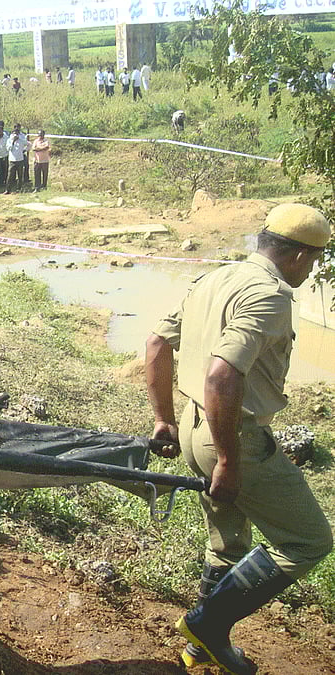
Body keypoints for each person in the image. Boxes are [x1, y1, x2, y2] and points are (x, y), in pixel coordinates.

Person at [145, 204, 333, 675]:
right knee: (307, 541)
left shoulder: (214, 278)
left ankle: (200, 647)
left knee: (226, 544)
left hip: (194, 427)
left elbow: (157, 343)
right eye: (313, 261)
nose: (310, 271)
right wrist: (230, 461)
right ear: (299, 256)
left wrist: (164, 419)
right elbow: (222, 375)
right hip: (234, 439)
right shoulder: (270, 296)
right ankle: (207, 626)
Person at [4, 125, 28, 193]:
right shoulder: (9, 140)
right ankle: (8, 189)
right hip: (12, 160)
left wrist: (25, 150)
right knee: (10, 176)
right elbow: (8, 148)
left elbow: (29, 144)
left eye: (17, 133)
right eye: (14, 133)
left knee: (20, 175)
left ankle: (19, 189)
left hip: (20, 159)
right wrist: (13, 142)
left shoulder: (21, 140)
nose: (15, 135)